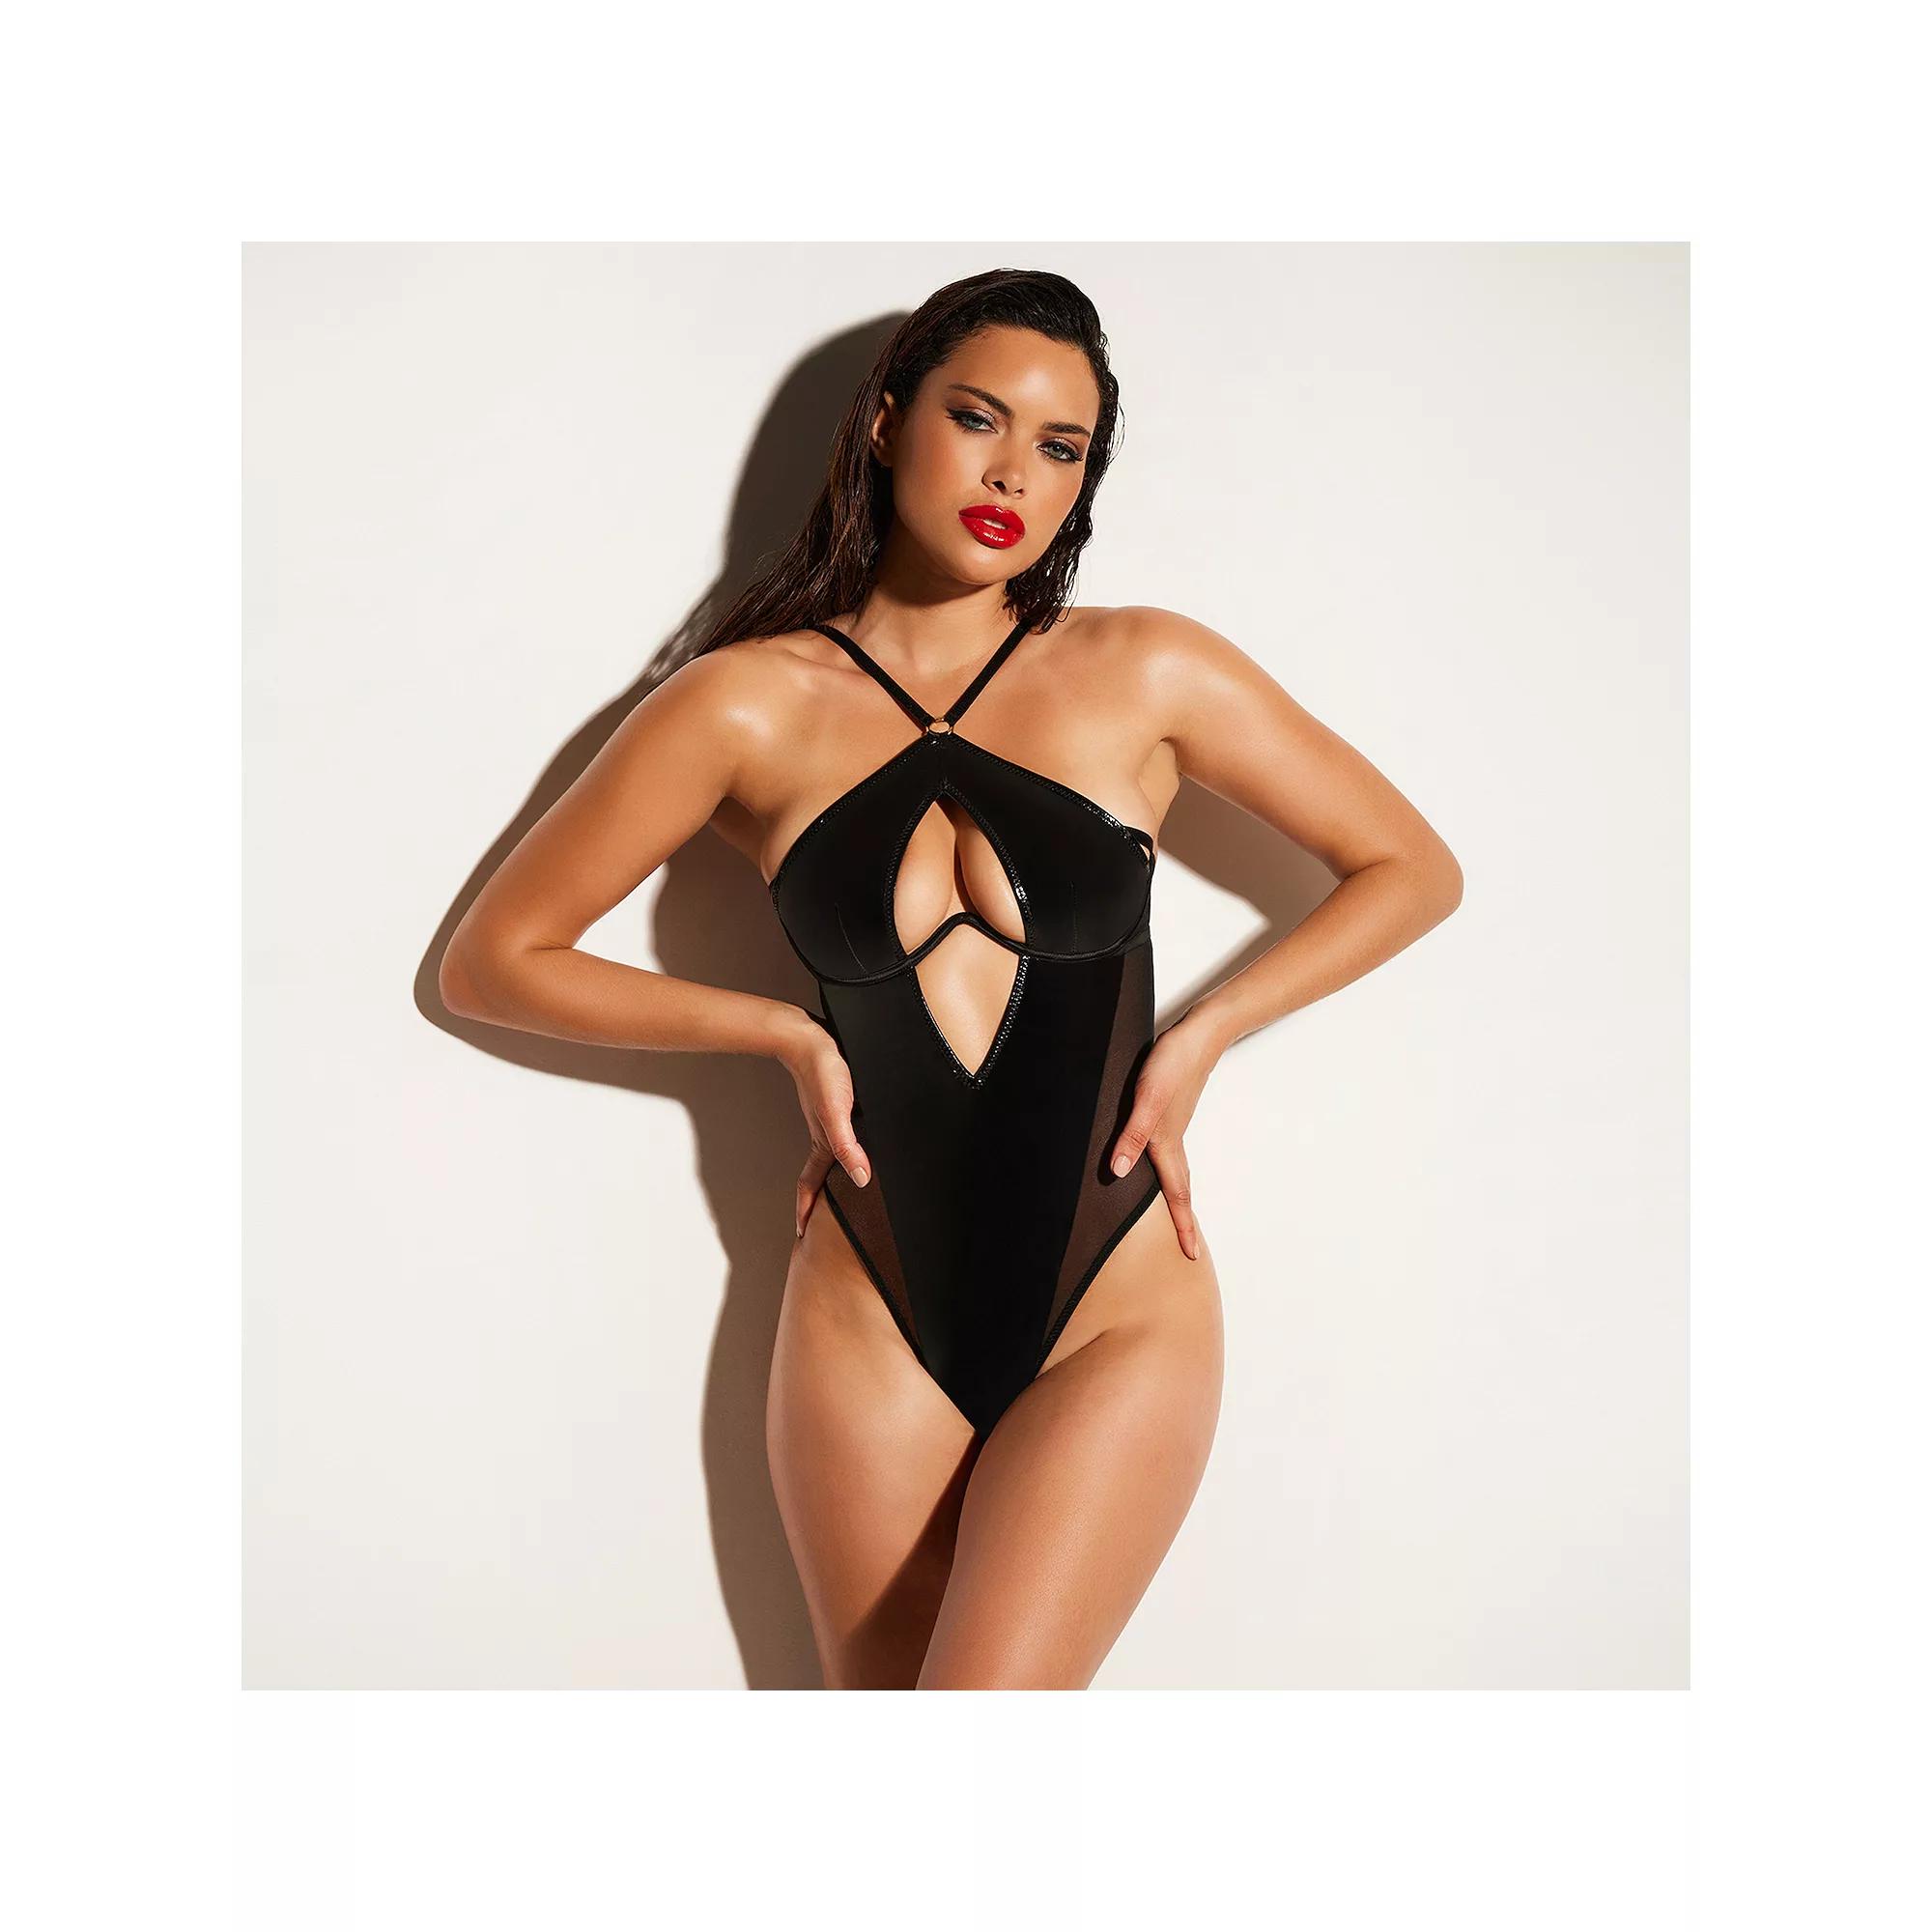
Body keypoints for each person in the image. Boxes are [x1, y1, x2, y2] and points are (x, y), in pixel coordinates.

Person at [438, 268, 1463, 1688]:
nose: (1013, 474)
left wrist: (1203, 1035)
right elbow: (495, 961)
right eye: (978, 418)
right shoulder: (743, 704)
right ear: (884, 422)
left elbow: (1411, 867)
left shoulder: (1144, 669)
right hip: (871, 1310)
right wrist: (780, 1035)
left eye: (1061, 447)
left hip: (1116, 1294)